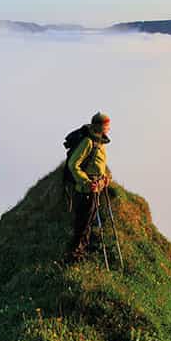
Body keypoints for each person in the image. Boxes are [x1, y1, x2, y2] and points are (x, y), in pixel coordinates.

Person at [66, 112, 112, 262]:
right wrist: (86, 182)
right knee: (82, 224)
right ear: (100, 126)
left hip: (95, 188)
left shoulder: (100, 143)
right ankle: (74, 255)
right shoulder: (88, 142)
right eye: (107, 126)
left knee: (87, 221)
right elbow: (73, 164)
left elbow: (98, 164)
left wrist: (104, 177)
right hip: (86, 190)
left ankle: (81, 251)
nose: (109, 128)